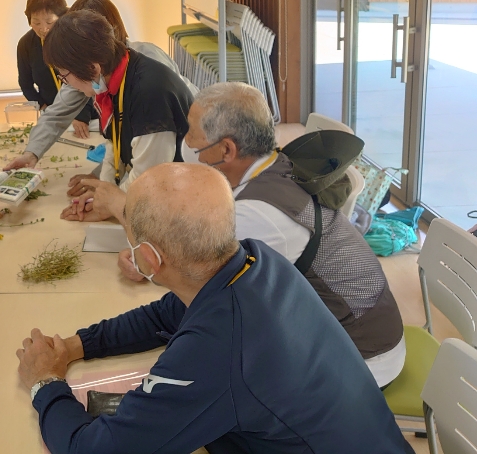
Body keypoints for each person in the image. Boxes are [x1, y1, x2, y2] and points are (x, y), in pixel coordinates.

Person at [16, 164, 414, 454]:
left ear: (149, 260)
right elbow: (163, 316)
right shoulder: (256, 262)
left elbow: (91, 450)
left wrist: (44, 382)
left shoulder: (216, 352)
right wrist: (75, 346)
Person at [76, 82, 406, 387]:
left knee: (206, 375)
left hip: (362, 357)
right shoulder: (274, 166)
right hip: (343, 328)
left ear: (227, 150)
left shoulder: (259, 215)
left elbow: (194, 288)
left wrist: (129, 221)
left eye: (192, 134)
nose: (188, 144)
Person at [5, 0, 195, 174]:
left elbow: (152, 167)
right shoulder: (89, 72)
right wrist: (32, 153)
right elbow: (58, 114)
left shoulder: (147, 77)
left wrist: (111, 190)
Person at [40, 10, 191, 197]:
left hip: (181, 196)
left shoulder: (149, 92)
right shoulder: (111, 77)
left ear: (92, 68)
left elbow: (149, 178)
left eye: (64, 75)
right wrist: (105, 189)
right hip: (152, 190)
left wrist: (110, 203)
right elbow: (114, 142)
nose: (65, 82)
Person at [16, 0, 94, 138]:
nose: (43, 29)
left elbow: (90, 79)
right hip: (53, 117)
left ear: (63, 16)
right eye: (36, 23)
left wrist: (80, 116)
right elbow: (26, 84)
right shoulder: (26, 44)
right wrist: (47, 110)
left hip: (87, 117)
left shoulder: (76, 37)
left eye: (49, 22)